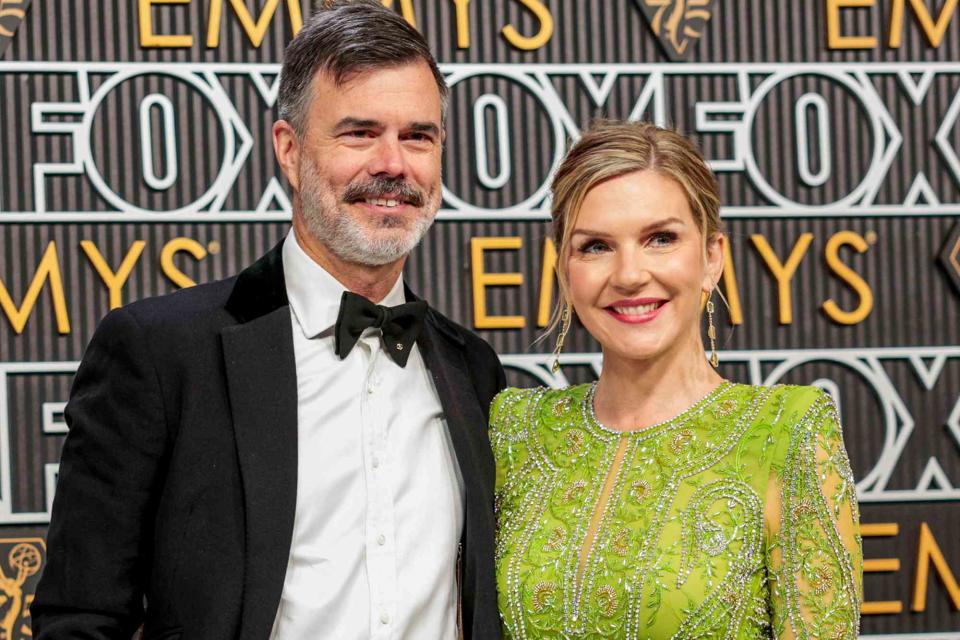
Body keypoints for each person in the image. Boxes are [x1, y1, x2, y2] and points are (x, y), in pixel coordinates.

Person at [32, 2, 505, 638]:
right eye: (360, 133)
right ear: (289, 149)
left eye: (417, 135)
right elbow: (81, 616)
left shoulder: (473, 369)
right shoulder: (161, 354)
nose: (393, 164)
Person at [489, 121, 862, 639]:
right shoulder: (514, 430)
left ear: (712, 258)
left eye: (660, 239)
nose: (628, 274)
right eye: (595, 246)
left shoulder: (788, 430)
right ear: (564, 269)